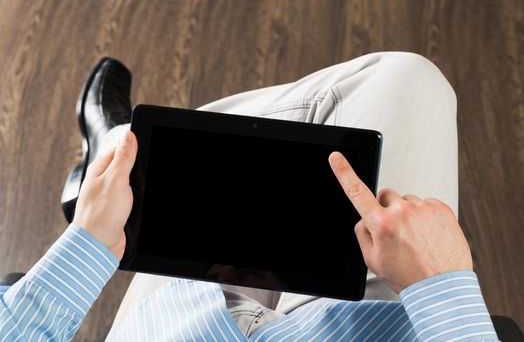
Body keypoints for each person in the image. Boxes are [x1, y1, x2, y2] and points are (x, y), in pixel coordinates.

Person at [0, 54, 498, 341]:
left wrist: (87, 243)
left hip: (181, 329)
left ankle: (116, 150)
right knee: (410, 80)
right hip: (370, 327)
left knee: (162, 172)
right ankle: (118, 149)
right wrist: (443, 288)